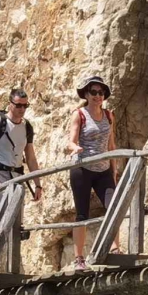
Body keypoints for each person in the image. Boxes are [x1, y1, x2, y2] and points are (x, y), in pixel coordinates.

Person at [64, 75, 118, 270]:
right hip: (82, 169)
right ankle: (79, 258)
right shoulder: (79, 114)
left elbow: (111, 145)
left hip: (103, 169)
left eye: (101, 92)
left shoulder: (109, 115)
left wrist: (114, 170)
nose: (97, 96)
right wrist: (75, 148)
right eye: (93, 92)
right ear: (86, 94)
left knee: (114, 207)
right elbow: (71, 140)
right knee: (82, 214)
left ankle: (114, 249)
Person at [0, 87, 42, 218]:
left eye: (25, 106)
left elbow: (30, 158)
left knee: (16, 220)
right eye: (18, 105)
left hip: (17, 175)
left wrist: (38, 185)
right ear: (10, 103)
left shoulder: (27, 127)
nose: (22, 109)